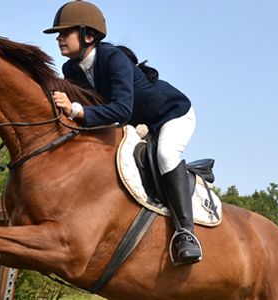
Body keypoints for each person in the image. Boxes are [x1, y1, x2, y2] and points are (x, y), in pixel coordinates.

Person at [44, 0, 202, 266]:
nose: (59, 37)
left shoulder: (112, 57)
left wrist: (76, 111)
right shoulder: (70, 69)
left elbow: (120, 111)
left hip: (172, 114)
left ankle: (186, 233)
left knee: (165, 155)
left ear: (88, 35)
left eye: (65, 31)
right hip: (137, 123)